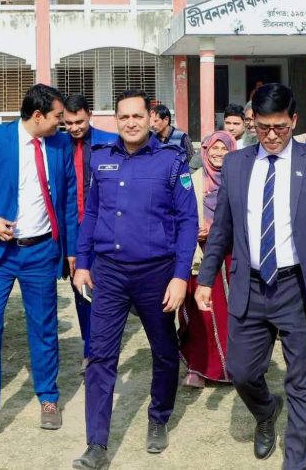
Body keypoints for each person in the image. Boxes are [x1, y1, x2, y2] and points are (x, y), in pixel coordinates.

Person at [195, 83, 306, 469]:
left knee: (304, 385)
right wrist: (206, 279)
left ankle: (297, 463)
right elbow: (222, 228)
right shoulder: (237, 165)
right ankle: (266, 411)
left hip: (298, 287)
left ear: (294, 121)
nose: (272, 135)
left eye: (279, 126)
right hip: (250, 286)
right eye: (263, 127)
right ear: (253, 124)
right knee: (242, 371)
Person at [71, 90, 197, 470]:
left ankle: (158, 417)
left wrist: (180, 277)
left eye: (137, 116)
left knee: (163, 349)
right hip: (109, 272)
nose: (130, 123)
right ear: (116, 120)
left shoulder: (172, 161)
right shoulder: (100, 158)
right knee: (100, 355)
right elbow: (92, 214)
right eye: (123, 117)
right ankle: (96, 444)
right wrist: (83, 262)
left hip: (156, 273)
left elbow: (188, 221)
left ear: (150, 118)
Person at [0, 84, 77, 440]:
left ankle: (48, 398)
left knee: (43, 326)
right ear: (37, 116)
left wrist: (71, 250)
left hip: (41, 251)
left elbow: (69, 199)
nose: (62, 122)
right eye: (57, 117)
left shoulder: (60, 144)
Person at [62, 93, 118, 374]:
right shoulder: (58, 145)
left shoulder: (110, 143)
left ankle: (95, 351)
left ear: (90, 115)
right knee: (80, 290)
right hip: (72, 231)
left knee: (101, 290)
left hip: (105, 229)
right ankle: (90, 346)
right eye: (69, 123)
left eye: (79, 122)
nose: (74, 128)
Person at [179, 131, 237, 389]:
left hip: (231, 254)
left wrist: (221, 229)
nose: (218, 154)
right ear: (204, 151)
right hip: (199, 255)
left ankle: (233, 368)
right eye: (214, 148)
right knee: (199, 312)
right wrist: (193, 229)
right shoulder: (191, 180)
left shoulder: (240, 179)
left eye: (224, 149)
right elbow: (178, 213)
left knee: (230, 313)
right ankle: (198, 367)